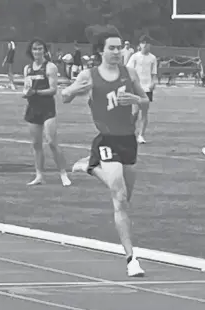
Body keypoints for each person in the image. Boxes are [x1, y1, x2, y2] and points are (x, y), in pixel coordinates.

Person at [61, 27, 149, 277]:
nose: (117, 52)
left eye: (119, 47)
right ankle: (132, 259)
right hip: (106, 140)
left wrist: (135, 99)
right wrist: (76, 89)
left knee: (124, 199)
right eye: (111, 47)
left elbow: (145, 100)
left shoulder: (129, 73)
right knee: (119, 195)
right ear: (101, 50)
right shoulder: (89, 75)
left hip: (128, 141)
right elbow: (65, 96)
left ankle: (89, 166)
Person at [23, 38, 71, 187]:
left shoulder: (50, 67)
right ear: (31, 51)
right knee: (36, 144)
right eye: (34, 49)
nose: (37, 52)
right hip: (33, 108)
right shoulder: (27, 68)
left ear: (44, 50)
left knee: (51, 141)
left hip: (47, 108)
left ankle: (63, 173)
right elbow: (27, 87)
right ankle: (39, 175)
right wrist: (26, 93)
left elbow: (53, 90)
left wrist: (35, 92)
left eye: (40, 49)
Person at [127, 35, 157, 144]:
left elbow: (154, 73)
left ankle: (141, 135)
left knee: (144, 113)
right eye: (143, 43)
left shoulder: (153, 58)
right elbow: (129, 70)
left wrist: (153, 83)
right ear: (140, 45)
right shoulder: (135, 57)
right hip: (136, 87)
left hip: (147, 88)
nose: (145, 45)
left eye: (147, 43)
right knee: (135, 112)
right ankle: (130, 131)